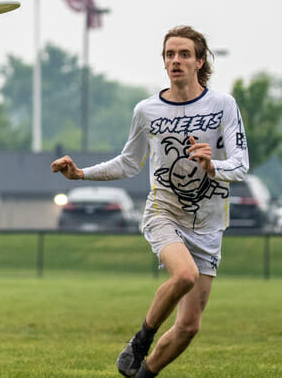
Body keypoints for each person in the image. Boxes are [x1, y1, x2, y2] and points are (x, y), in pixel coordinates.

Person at [51, 25, 249, 377]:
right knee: (184, 275)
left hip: (209, 223)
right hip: (164, 213)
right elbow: (129, 161)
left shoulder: (223, 105)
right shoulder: (147, 110)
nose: (176, 60)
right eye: (170, 54)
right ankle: (140, 341)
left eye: (184, 54)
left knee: (189, 327)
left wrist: (211, 165)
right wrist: (81, 174)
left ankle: (142, 373)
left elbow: (240, 164)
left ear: (199, 61)